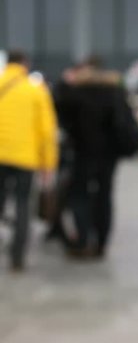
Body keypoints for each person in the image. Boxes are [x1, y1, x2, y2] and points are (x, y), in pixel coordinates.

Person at [54, 57, 138, 259]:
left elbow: (58, 110)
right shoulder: (115, 93)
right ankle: (102, 242)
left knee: (79, 195)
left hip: (83, 153)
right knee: (104, 196)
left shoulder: (76, 94)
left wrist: (64, 82)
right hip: (109, 155)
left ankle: (83, 240)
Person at [0, 50, 58, 271]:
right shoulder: (35, 90)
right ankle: (17, 257)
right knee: (23, 204)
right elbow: (47, 131)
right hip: (25, 157)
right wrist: (48, 165)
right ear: (25, 64)